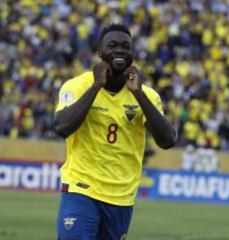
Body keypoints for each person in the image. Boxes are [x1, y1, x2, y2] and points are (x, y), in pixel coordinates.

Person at [53, 24, 177, 240]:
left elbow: (167, 140)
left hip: (121, 197)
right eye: (112, 45)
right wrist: (96, 86)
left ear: (132, 54)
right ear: (100, 53)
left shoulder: (147, 95)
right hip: (81, 189)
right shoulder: (76, 86)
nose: (119, 50)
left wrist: (138, 94)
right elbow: (62, 127)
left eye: (126, 47)